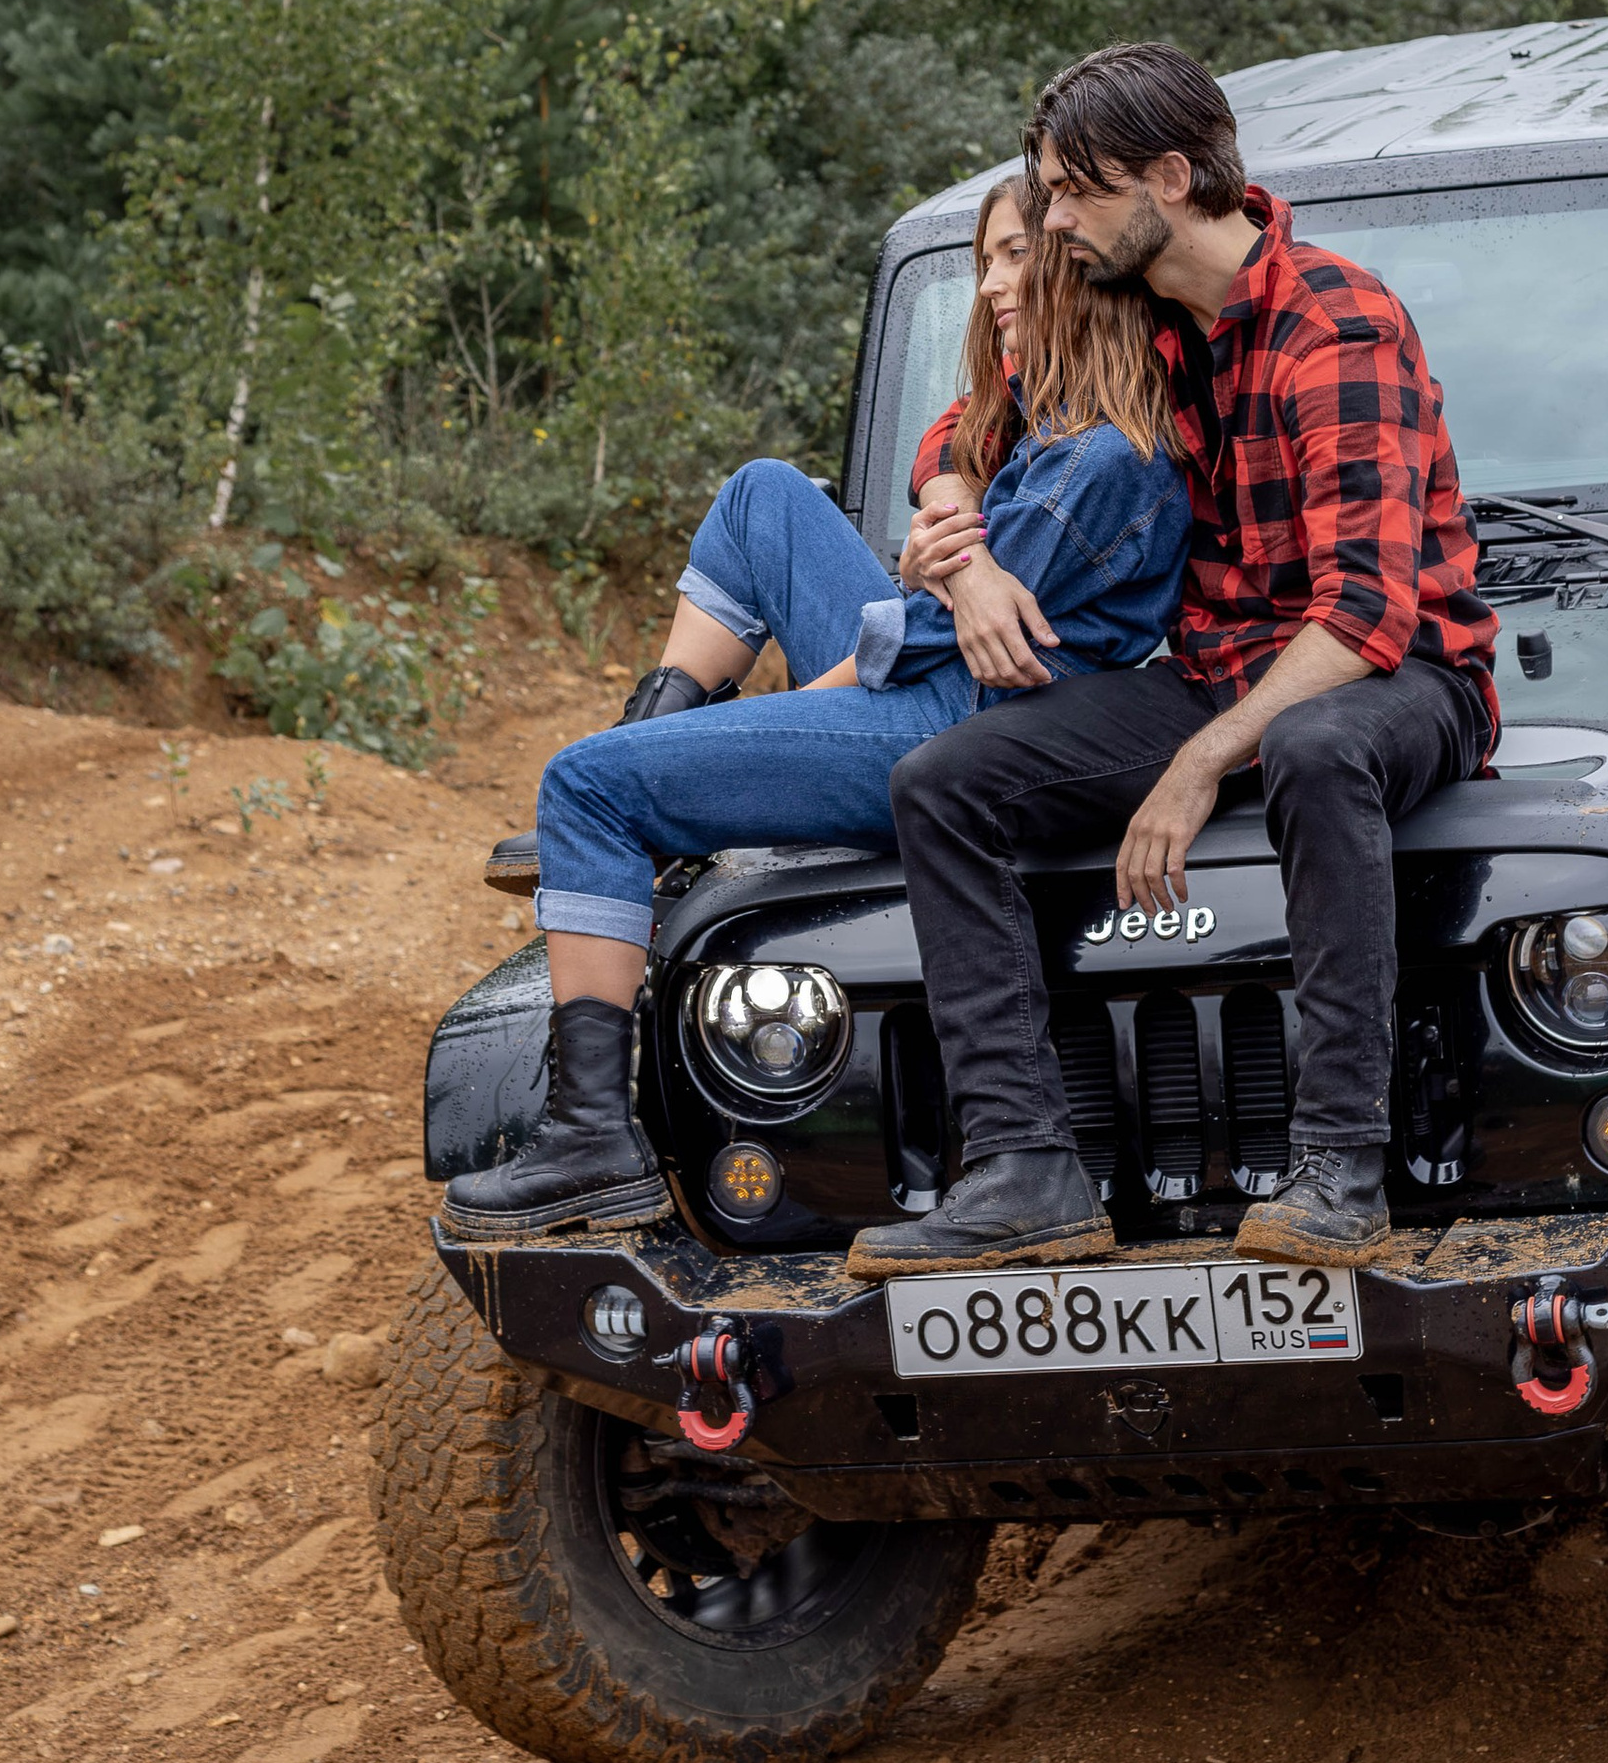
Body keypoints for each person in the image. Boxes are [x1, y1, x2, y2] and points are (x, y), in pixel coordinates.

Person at [849, 41, 1496, 1285]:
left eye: (1076, 194)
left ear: (1171, 175)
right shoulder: (1143, 319)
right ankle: (1023, 1170)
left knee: (1309, 743)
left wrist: (1200, 762)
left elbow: (1363, 619)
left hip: (1402, 678)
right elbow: (961, 426)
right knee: (944, 780)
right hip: (1219, 668)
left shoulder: (1335, 324)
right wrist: (965, 549)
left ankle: (1339, 1168)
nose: (1054, 224)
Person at [446, 172, 1194, 1233]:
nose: (990, 285)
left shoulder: (1103, 459)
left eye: (1016, 256)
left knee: (585, 786)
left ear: (1088, 263)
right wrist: (946, 509)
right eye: (984, 260)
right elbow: (950, 457)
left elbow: (921, 648)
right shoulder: (1049, 420)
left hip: (962, 723)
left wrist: (771, 718)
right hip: (942, 676)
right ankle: (651, 757)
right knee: (765, 494)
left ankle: (590, 1135)